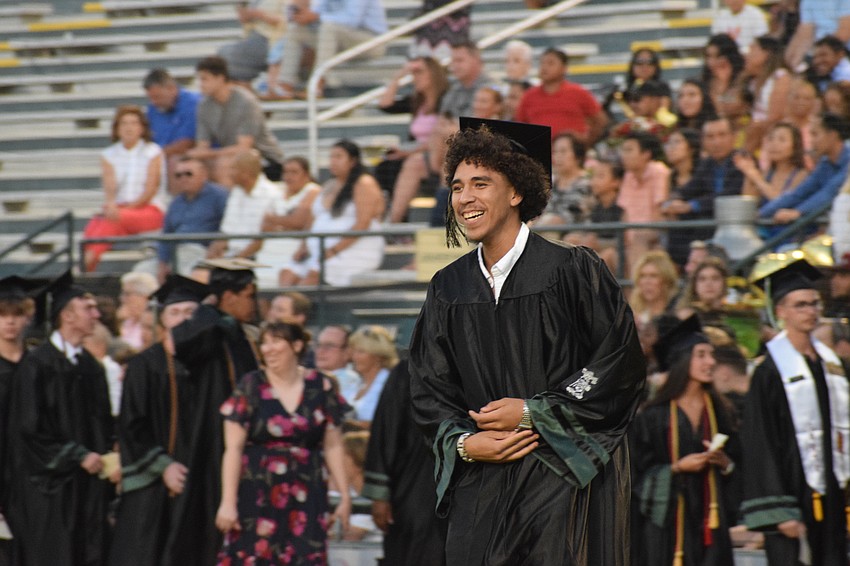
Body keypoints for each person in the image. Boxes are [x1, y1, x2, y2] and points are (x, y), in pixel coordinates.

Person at [409, 118, 646, 564]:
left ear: (516, 192)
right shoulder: (448, 287)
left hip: (559, 476)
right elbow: (428, 388)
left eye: (481, 183)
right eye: (458, 187)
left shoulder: (572, 270)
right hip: (482, 481)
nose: (465, 198)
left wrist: (536, 412)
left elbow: (618, 363)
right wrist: (463, 443)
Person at [215, 321, 352, 564]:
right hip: (256, 491)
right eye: (264, 343)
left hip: (307, 491)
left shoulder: (321, 385)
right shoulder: (251, 385)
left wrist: (344, 495)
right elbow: (233, 449)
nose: (268, 349)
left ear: (297, 346)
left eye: (275, 341)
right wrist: (227, 501)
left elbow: (333, 445)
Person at [743, 259, 850, 565]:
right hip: (791, 493)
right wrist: (781, 510)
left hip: (832, 491)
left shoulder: (831, 364)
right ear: (781, 312)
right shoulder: (770, 371)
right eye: (800, 305)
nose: (810, 311)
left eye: (814, 303)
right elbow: (760, 441)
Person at [6, 273, 113, 566]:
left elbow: (103, 423)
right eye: (88, 308)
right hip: (49, 492)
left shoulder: (91, 366)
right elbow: (30, 429)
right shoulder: (37, 365)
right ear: (67, 315)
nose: (97, 314)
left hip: (87, 489)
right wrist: (76, 455)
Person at [108, 275, 211, 566]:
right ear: (163, 320)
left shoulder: (209, 366)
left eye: (190, 312)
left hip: (199, 483)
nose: (182, 320)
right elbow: (131, 426)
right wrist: (163, 467)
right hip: (153, 487)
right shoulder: (144, 365)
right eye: (174, 312)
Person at [169, 258, 262, 565]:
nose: (255, 304)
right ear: (229, 296)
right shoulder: (210, 331)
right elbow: (180, 340)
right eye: (249, 295)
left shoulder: (241, 334)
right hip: (212, 443)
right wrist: (210, 309)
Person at [631, 315, 739, 566]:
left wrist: (725, 464)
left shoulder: (722, 413)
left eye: (711, 354)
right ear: (682, 360)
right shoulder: (652, 417)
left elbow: (741, 469)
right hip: (666, 528)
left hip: (711, 525)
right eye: (701, 354)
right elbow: (637, 479)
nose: (711, 362)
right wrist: (677, 468)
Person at [362, 362, 446, 566]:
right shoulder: (408, 370)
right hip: (412, 484)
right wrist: (380, 494)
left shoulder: (479, 365)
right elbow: (386, 429)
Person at [279, 140, 386, 287]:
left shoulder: (364, 183)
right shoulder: (329, 185)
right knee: (286, 274)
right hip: (319, 252)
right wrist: (303, 246)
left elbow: (362, 224)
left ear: (353, 161)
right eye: (331, 157)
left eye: (338, 157)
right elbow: (312, 220)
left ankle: (296, 309)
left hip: (352, 250)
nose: (333, 161)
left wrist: (334, 250)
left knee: (311, 278)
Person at [83, 105, 166, 271]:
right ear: (117, 128)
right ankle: (87, 263)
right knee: (95, 222)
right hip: (120, 209)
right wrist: (113, 206)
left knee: (113, 219)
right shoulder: (108, 155)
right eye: (124, 123)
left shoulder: (153, 151)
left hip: (149, 210)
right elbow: (110, 189)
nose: (129, 128)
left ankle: (86, 264)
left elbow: (150, 189)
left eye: (134, 123)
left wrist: (124, 210)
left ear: (142, 128)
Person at [0, 276, 44, 565]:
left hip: (37, 479)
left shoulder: (41, 366)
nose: (9, 323)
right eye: (2, 315)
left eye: (17, 315)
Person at [663, 116, 744, 266]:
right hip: (708, 220)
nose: (716, 142)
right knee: (676, 228)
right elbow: (690, 188)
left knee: (699, 227)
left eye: (722, 135)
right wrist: (674, 200)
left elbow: (729, 194)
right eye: (710, 137)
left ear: (733, 137)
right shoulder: (707, 164)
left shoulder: (742, 161)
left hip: (731, 223)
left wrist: (690, 205)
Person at [188, 56, 285, 182]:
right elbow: (202, 146)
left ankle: (230, 201)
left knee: (224, 164)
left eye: (205, 79)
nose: (201, 85)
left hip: (266, 159)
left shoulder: (246, 102)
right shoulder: (204, 106)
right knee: (190, 167)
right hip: (229, 155)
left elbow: (244, 147)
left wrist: (209, 154)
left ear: (220, 78)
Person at [377, 56, 449, 223]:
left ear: (433, 73)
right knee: (385, 166)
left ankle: (395, 223)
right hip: (412, 151)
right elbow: (385, 104)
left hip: (434, 153)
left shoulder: (446, 99)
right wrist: (400, 76)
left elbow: (442, 136)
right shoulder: (417, 101)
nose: (415, 77)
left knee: (405, 164)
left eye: (420, 72)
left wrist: (408, 152)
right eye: (414, 73)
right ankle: (393, 219)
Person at [275, 0, 388, 97]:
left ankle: (318, 84)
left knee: (329, 27)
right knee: (296, 30)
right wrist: (304, 17)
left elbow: (352, 20)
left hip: (371, 42)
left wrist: (316, 17)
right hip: (339, 39)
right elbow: (318, 13)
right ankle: (285, 86)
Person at [768, 112, 850, 226]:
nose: (812, 141)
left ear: (832, 135)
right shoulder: (825, 164)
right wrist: (760, 213)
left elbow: (828, 193)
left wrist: (798, 212)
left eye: (815, 135)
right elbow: (799, 193)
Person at [156, 156, 229, 281]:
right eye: (178, 175)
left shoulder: (219, 196)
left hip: (204, 252)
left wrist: (217, 243)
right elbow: (166, 235)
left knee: (186, 258)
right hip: (176, 253)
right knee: (143, 271)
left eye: (189, 174)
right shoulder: (176, 203)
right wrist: (162, 263)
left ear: (204, 174)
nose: (183, 178)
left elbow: (228, 227)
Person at [514, 47, 609, 143]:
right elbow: (520, 126)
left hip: (572, 154)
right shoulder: (529, 96)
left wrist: (585, 143)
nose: (544, 67)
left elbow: (600, 120)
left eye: (551, 63)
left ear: (564, 68)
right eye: (542, 63)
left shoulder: (578, 92)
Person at [256, 156, 322, 288]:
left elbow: (298, 222)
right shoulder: (278, 192)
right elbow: (264, 225)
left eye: (294, 172)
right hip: (268, 253)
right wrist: (288, 224)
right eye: (286, 172)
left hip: (292, 254)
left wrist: (276, 221)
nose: (289, 176)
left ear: (306, 175)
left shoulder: (312, 190)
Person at [208, 149, 282, 260]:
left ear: (246, 173)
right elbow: (226, 230)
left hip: (256, 258)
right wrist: (214, 251)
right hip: (231, 257)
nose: (229, 173)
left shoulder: (272, 195)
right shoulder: (236, 192)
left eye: (233, 169)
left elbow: (262, 240)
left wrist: (238, 259)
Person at [617, 131, 670, 269]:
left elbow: (660, 211)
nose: (623, 155)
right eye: (623, 150)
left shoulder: (659, 171)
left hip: (656, 235)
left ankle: (637, 288)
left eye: (629, 150)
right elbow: (625, 213)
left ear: (646, 154)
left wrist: (641, 238)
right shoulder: (628, 176)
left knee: (639, 240)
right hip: (632, 240)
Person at [735, 122, 808, 205]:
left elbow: (784, 202)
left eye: (782, 140)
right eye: (771, 139)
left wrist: (757, 178)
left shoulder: (802, 175)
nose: (774, 144)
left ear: (795, 146)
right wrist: (748, 172)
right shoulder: (766, 174)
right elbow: (748, 203)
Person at [217, 0, 286, 86]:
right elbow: (243, 18)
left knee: (227, 53)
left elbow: (286, 20)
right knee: (223, 53)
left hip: (270, 38)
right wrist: (244, 10)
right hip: (252, 36)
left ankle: (242, 83)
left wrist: (260, 15)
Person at [742, 35, 792, 152]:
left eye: (752, 50)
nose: (746, 55)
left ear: (766, 53)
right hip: (754, 132)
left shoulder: (780, 76)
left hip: (770, 134)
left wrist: (755, 128)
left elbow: (776, 116)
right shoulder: (752, 81)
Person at [535, 132, 593, 228]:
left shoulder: (586, 184)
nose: (557, 157)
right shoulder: (547, 183)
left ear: (578, 155)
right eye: (555, 152)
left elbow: (568, 217)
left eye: (563, 151)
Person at [143, 68, 200, 161]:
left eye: (157, 97)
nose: (154, 102)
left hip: (185, 159)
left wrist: (155, 157)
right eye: (151, 98)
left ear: (172, 88)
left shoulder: (193, 104)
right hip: (159, 158)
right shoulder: (153, 108)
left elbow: (187, 144)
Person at [346, 325, 398, 426]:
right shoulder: (355, 382)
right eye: (354, 351)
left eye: (361, 352)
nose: (354, 357)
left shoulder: (390, 385)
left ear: (378, 356)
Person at [785, 0, 850, 70]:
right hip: (817, 53)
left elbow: (845, 32)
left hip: (841, 51)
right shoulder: (807, 1)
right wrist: (789, 63)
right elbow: (805, 34)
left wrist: (818, 53)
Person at [629, 249, 680, 330]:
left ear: (666, 280)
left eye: (653, 276)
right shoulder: (632, 317)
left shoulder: (678, 314)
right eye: (642, 276)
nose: (647, 282)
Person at [439, 42, 492, 118]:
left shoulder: (490, 90)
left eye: (459, 60)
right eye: (453, 61)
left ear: (476, 60)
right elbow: (441, 120)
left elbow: (475, 125)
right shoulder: (454, 87)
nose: (455, 65)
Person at [314, 325, 361, 404]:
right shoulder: (310, 377)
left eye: (329, 346)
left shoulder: (351, 382)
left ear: (347, 352)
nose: (320, 351)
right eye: (318, 345)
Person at [701, 34, 745, 111]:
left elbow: (726, 112)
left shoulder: (743, 81)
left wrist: (723, 83)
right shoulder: (705, 80)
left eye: (717, 56)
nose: (711, 62)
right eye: (708, 56)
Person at [117, 271, 158, 351]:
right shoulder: (126, 320)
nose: (122, 299)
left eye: (127, 294)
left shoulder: (154, 323)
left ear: (145, 297)